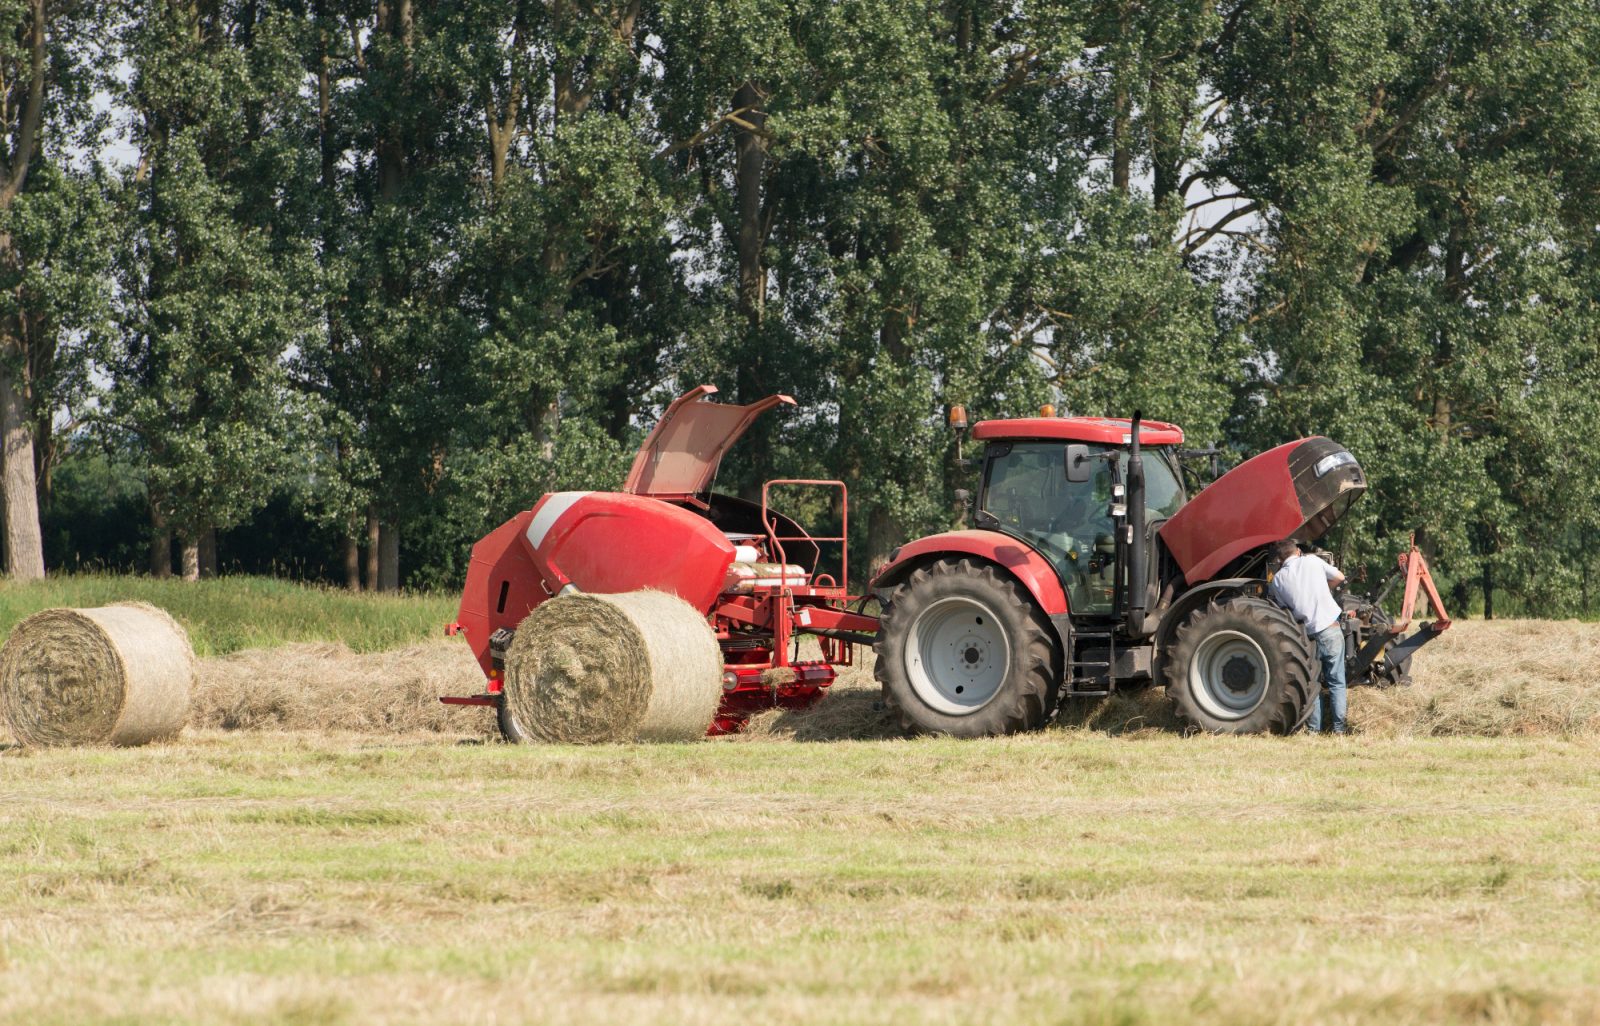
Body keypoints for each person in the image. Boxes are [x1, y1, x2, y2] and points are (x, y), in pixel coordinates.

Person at [1267, 538, 1348, 734]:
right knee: (1337, 681)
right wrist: (1323, 589)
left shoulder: (1277, 580)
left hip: (1307, 637)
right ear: (1297, 551)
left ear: (1279, 559)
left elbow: (1283, 609)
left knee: (1314, 684)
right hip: (1330, 628)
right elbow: (1340, 577)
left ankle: (1314, 730)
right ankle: (1339, 729)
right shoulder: (1312, 561)